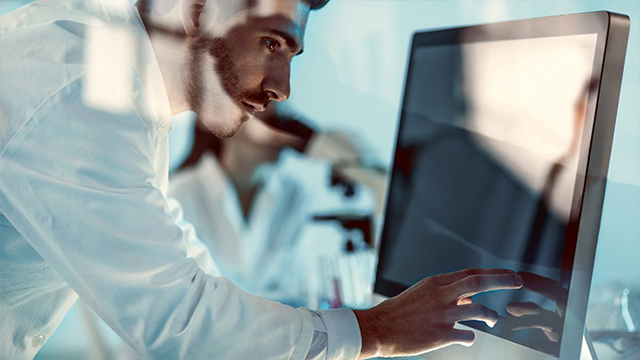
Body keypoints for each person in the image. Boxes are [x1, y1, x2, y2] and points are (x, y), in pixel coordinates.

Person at [0, 0, 524, 359]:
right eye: (271, 44)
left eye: (290, 56)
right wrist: (376, 332)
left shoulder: (116, 75)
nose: (283, 89)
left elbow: (186, 271)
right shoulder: (83, 92)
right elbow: (179, 323)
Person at [169, 112, 372, 306]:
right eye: (268, 120)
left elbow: (297, 290)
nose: (281, 135)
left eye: (280, 120)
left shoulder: (296, 194)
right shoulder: (180, 194)